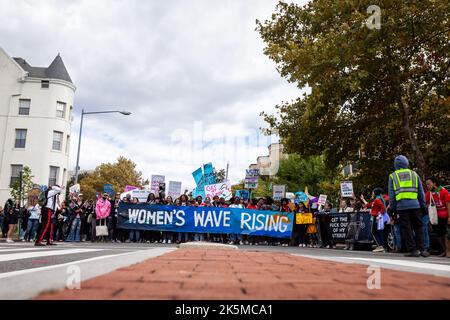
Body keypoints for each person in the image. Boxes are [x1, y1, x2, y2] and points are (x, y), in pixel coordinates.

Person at [388, 155, 429, 257]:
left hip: (402, 207)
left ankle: (413, 250)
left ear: (396, 165)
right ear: (406, 163)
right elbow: (421, 192)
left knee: (407, 229)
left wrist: (392, 209)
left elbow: (392, 195)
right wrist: (423, 206)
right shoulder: (414, 174)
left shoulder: (393, 176)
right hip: (416, 206)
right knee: (419, 227)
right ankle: (423, 249)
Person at [425, 177, 450, 257]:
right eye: (427, 184)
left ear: (434, 183)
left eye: (429, 184)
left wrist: (449, 217)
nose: (427, 186)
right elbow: (427, 205)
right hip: (435, 217)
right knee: (439, 235)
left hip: (445, 215)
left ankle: (448, 251)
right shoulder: (429, 193)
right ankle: (444, 250)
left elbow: (448, 204)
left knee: (446, 234)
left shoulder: (443, 191)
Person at [370, 188, 390, 253]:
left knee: (373, 231)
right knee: (380, 232)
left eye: (373, 192)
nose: (372, 193)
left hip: (376, 217)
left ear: (375, 193)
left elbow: (383, 208)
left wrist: (379, 216)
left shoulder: (377, 199)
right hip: (378, 217)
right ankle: (382, 246)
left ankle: (380, 246)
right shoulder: (380, 199)